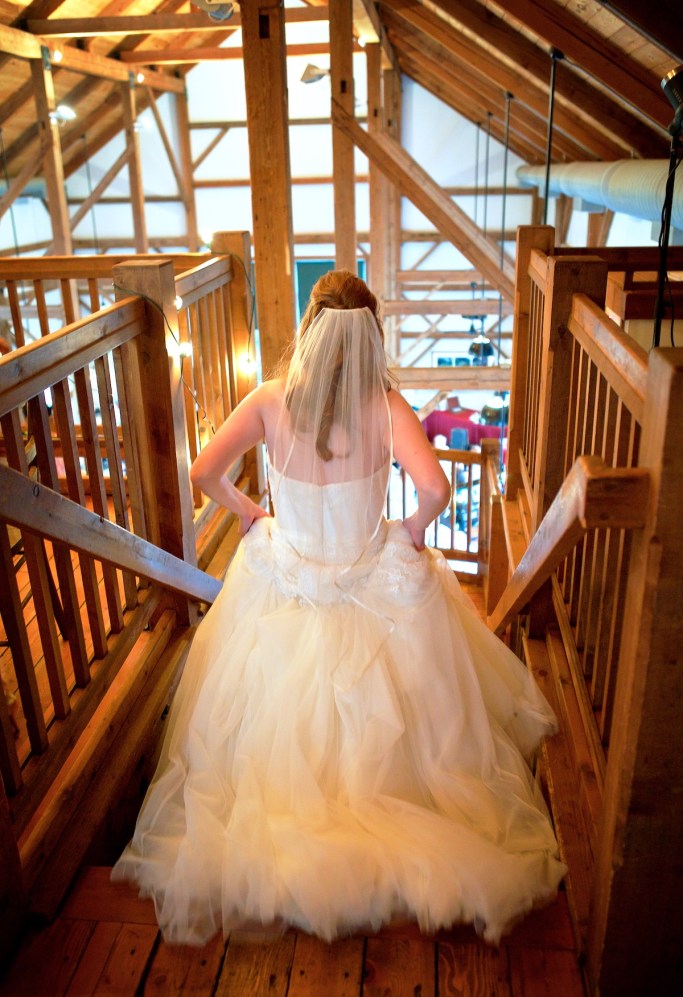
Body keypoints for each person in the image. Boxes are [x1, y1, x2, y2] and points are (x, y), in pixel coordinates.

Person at [112, 271, 566, 945]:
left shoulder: (268, 400)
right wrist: (409, 532)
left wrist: (249, 512)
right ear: (371, 336)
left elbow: (203, 470)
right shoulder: (385, 408)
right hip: (366, 575)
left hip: (286, 571)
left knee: (259, 715)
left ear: (310, 327)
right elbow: (435, 489)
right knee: (419, 713)